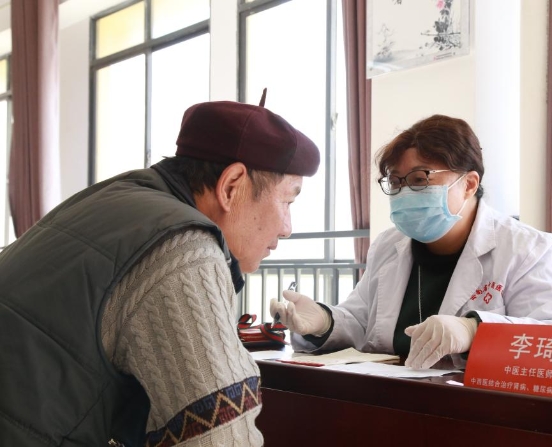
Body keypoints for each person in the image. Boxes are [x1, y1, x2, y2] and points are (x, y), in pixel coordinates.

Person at [0, 100, 319, 446]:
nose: (287, 228)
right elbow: (222, 438)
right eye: (288, 202)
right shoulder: (184, 251)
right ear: (231, 186)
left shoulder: (115, 198)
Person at [271, 114, 552, 370]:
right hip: (390, 400)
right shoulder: (389, 245)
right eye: (396, 182)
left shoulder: (528, 249)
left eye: (420, 179)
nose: (405, 192)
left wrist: (475, 330)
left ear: (469, 184)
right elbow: (360, 323)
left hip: (481, 410)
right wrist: (324, 322)